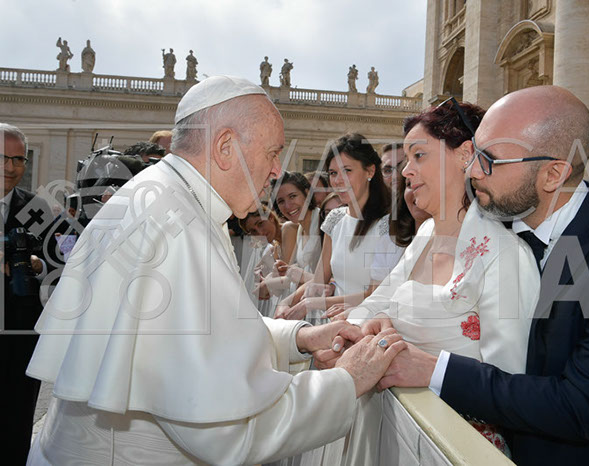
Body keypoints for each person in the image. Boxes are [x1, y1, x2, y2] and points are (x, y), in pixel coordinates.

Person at [25, 75, 407, 465]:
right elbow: (228, 426)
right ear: (225, 147)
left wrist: (301, 336)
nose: (277, 170)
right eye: (273, 153)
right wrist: (346, 381)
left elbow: (212, 336)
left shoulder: (171, 199)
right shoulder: (178, 225)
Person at [370, 85, 589, 465]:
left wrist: (435, 370)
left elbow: (579, 407)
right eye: (474, 154)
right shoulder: (491, 227)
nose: (472, 170)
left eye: (489, 159)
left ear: (553, 174)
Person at [316, 100, 539, 463]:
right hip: (392, 430)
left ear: (464, 155)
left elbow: (507, 381)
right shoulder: (425, 234)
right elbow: (380, 301)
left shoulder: (505, 254)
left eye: (418, 156)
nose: (406, 171)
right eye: (406, 160)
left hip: (450, 444)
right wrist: (352, 332)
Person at [275, 133, 404, 322]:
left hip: (369, 325)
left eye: (347, 171)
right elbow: (319, 280)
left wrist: (312, 304)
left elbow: (376, 294)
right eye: (333, 173)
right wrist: (286, 302)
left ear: (370, 171)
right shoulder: (334, 219)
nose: (338, 180)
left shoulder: (389, 223)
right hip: (333, 323)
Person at [0, 123, 55, 463]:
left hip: (19, 338)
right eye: (2, 158)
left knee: (16, 422)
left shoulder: (37, 208)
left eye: (18, 159)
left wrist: (36, 265)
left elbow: (58, 263)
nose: (10, 167)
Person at [239, 205, 283, 318]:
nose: (260, 232)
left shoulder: (289, 229)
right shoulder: (272, 248)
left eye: (260, 224)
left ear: (271, 217)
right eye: (253, 231)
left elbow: (284, 275)